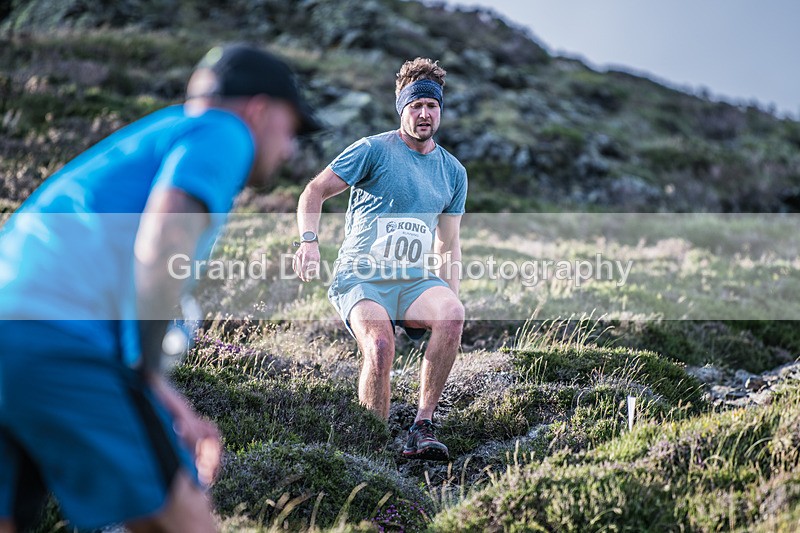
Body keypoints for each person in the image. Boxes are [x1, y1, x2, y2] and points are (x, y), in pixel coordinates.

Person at [0, 43, 321, 532]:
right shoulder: (223, 130)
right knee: (182, 522)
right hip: (56, 338)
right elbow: (165, 238)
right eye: (291, 129)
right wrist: (147, 376)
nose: (290, 148)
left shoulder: (151, 137)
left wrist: (162, 394)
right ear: (259, 109)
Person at [293, 58, 466, 461]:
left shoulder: (453, 172)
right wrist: (309, 242)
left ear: (440, 109)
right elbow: (314, 191)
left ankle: (421, 427)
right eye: (415, 106)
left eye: (432, 106)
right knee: (381, 345)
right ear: (402, 108)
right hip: (361, 277)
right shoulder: (372, 149)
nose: (424, 114)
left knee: (453, 314)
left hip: (413, 280)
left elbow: (448, 244)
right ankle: (371, 450)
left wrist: (449, 300)